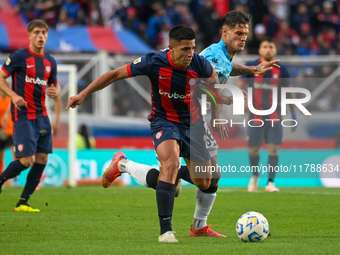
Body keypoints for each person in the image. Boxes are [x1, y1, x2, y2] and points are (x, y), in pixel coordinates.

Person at [93, 10, 280, 239]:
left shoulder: (224, 55)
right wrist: (217, 113)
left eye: (245, 33)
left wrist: (250, 70)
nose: (243, 37)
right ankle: (129, 168)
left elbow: (225, 70)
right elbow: (202, 84)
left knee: (206, 176)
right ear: (225, 32)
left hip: (195, 118)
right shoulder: (212, 56)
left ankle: (193, 217)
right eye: (239, 33)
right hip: (192, 117)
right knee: (206, 176)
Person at [67, 24, 232, 243]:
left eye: (192, 48)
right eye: (185, 49)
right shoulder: (154, 62)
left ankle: (123, 164)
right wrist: (83, 93)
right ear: (170, 47)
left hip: (193, 125)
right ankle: (166, 231)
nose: (190, 54)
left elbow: (214, 84)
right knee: (171, 164)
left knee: (204, 181)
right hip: (164, 121)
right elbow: (115, 74)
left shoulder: (200, 64)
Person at [0, 19, 61, 212]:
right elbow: (1, 78)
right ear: (29, 35)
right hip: (23, 116)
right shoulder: (19, 57)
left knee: (42, 159)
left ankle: (23, 202)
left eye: (44, 32)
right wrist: (13, 95)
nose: (41, 36)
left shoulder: (50, 62)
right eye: (36, 32)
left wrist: (53, 92)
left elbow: (54, 88)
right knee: (27, 160)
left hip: (42, 117)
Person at [237, 37, 296, 193]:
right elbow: (241, 85)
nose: (268, 49)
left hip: (274, 115)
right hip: (254, 115)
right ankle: (255, 175)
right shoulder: (251, 66)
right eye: (265, 46)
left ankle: (270, 182)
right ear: (260, 50)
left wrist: (294, 114)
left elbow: (288, 92)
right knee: (254, 150)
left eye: (271, 46)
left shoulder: (281, 69)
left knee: (273, 149)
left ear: (275, 50)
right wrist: (242, 102)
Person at [0, 90, 15, 175]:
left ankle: (15, 177)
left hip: (11, 131)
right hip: (2, 132)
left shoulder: (11, 100)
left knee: (15, 154)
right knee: (1, 155)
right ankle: (1, 175)